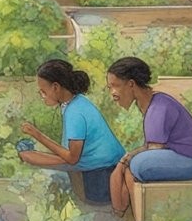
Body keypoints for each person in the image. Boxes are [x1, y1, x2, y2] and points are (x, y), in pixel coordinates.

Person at [106, 57, 192, 216]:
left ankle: (129, 217)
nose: (112, 93)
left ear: (131, 84)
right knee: (131, 166)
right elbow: (153, 147)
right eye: (109, 88)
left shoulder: (158, 106)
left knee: (137, 165)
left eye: (115, 86)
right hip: (184, 156)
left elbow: (155, 148)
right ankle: (130, 217)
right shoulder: (150, 103)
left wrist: (127, 159)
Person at [17, 59, 126, 204]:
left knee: (28, 156)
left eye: (43, 91)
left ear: (56, 87)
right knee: (30, 155)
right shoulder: (77, 102)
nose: (42, 96)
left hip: (102, 170)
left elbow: (72, 158)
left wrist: (36, 134)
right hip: (101, 162)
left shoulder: (75, 111)